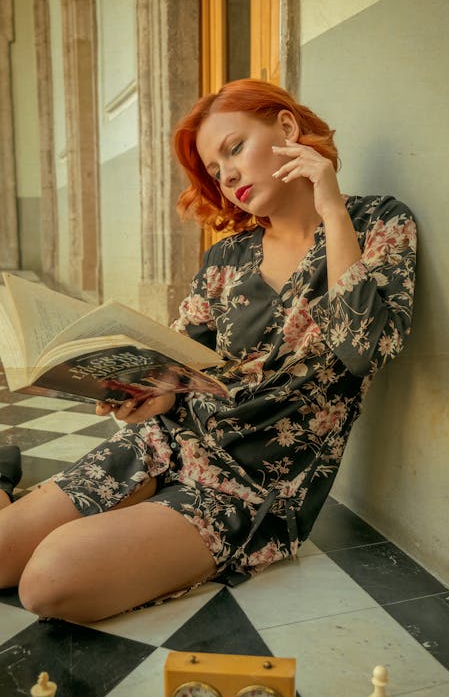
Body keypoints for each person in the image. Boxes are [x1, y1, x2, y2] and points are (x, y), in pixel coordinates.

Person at [0, 79, 417, 623]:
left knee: (48, 581)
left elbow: (362, 350)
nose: (229, 177)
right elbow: (180, 362)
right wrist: (145, 396)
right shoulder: (227, 257)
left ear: (286, 129)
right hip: (167, 441)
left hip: (253, 486)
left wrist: (332, 210)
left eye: (235, 149)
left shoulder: (379, 222)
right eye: (217, 171)